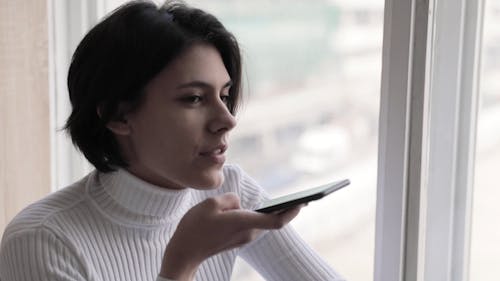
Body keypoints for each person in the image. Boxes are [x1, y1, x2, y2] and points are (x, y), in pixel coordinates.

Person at [0, 1, 345, 280]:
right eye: (194, 98)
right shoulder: (42, 241)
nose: (227, 120)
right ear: (118, 116)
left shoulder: (229, 192)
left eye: (224, 95)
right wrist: (181, 265)